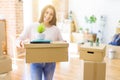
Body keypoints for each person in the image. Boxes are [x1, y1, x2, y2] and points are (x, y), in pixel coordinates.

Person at [16, 5, 64, 80]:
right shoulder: (32, 26)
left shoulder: (56, 30)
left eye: (51, 14)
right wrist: (21, 43)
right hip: (35, 62)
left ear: (53, 16)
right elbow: (19, 39)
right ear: (43, 12)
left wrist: (63, 43)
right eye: (47, 12)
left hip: (50, 63)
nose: (48, 15)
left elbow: (62, 42)